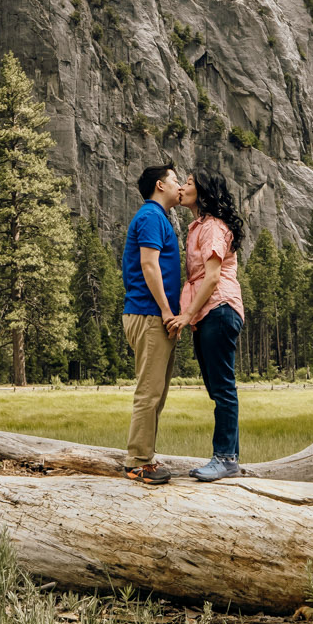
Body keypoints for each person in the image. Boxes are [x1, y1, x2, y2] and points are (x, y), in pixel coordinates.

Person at [120, 163, 184, 484]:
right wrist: (166, 311)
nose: (180, 185)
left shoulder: (157, 218)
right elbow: (149, 265)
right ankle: (138, 463)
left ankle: (146, 457)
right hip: (149, 315)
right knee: (149, 392)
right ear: (160, 185)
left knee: (156, 392)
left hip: (154, 316)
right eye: (175, 180)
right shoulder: (149, 217)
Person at [180, 171, 245, 481]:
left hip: (218, 306)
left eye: (188, 183)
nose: (181, 187)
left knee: (223, 388)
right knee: (217, 388)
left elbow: (213, 277)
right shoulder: (199, 227)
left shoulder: (213, 228)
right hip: (209, 312)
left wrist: (185, 314)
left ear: (203, 192)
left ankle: (226, 458)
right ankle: (225, 456)